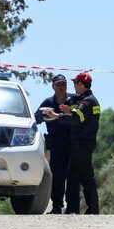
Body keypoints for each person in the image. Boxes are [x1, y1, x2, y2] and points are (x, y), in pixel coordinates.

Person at [43, 71, 100, 214]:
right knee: (72, 177)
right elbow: (78, 114)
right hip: (78, 145)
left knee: (86, 178)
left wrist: (57, 115)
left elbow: (75, 119)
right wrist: (70, 110)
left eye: (75, 83)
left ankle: (93, 209)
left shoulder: (87, 101)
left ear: (81, 84)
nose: (73, 86)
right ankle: (72, 209)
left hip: (82, 145)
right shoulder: (85, 100)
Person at [34, 74, 76, 214]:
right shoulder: (48, 102)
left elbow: (83, 116)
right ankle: (57, 206)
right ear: (53, 86)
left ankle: (72, 207)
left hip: (73, 143)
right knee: (57, 175)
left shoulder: (74, 100)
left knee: (73, 176)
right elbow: (35, 119)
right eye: (58, 84)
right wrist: (42, 114)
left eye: (63, 84)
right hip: (57, 144)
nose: (61, 87)